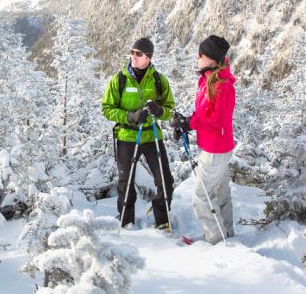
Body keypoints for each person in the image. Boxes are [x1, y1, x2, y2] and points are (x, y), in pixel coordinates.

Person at [101, 37, 175, 229]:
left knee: (165, 180)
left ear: (148, 57)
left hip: (152, 136)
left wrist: (160, 111)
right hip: (127, 136)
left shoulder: (159, 80)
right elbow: (107, 109)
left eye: (138, 53)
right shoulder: (120, 79)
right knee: (126, 183)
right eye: (132, 52)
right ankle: (126, 222)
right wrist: (131, 117)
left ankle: (162, 219)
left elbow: (170, 110)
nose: (133, 56)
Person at [171, 35, 236, 243]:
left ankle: (215, 239)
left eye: (201, 54)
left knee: (201, 196)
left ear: (213, 60)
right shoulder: (206, 80)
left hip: (216, 149)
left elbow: (217, 121)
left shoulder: (224, 86)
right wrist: (187, 122)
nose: (197, 57)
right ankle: (225, 234)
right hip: (211, 146)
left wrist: (191, 123)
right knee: (219, 192)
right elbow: (204, 113)